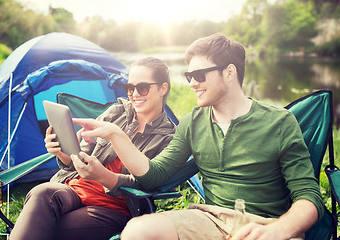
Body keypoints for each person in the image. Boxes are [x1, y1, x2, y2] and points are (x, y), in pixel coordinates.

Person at [72, 33, 324, 240]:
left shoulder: (279, 122)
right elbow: (153, 175)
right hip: (210, 218)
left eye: (199, 75)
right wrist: (117, 134)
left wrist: (278, 230)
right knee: (138, 231)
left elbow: (309, 197)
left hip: (267, 224)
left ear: (229, 72)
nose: (192, 83)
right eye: (189, 76)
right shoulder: (193, 122)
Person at [9, 57, 176, 240]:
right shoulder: (116, 112)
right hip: (74, 188)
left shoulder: (168, 138)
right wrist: (63, 153)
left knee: (50, 225)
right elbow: (80, 157)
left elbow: (149, 184)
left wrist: (103, 176)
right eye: (130, 87)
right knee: (41, 193)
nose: (134, 94)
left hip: (113, 207)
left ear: (163, 88)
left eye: (142, 87)